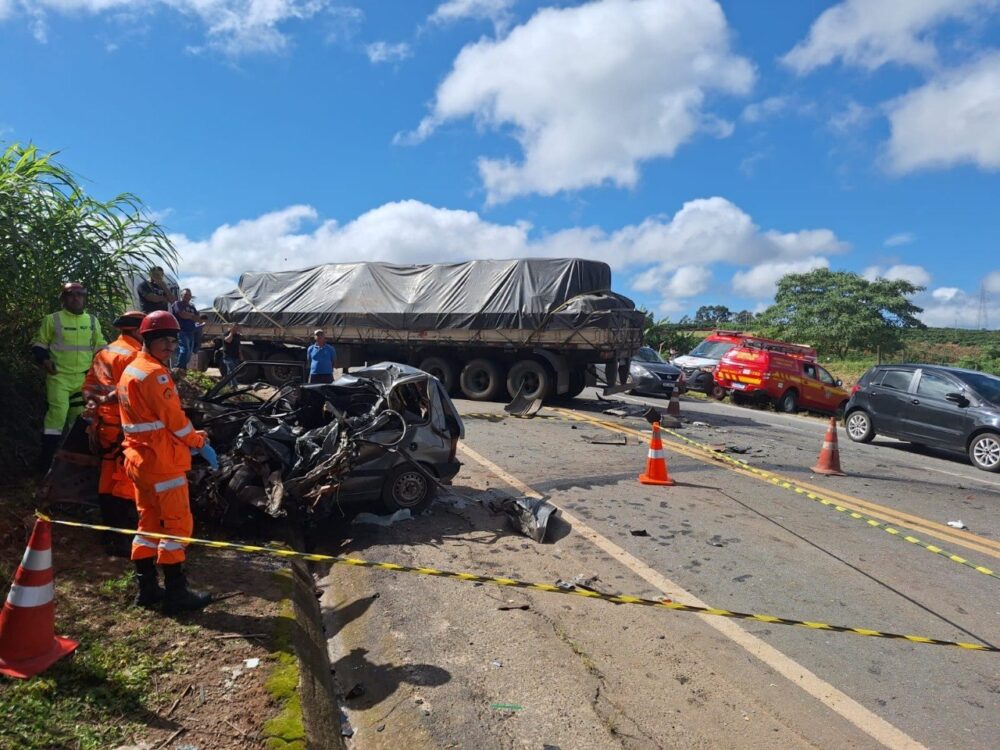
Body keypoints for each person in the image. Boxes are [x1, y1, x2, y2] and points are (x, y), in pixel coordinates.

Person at [118, 310, 218, 613]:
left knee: (148, 523)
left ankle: (147, 589)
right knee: (176, 526)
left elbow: (152, 421)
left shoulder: (133, 369)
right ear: (147, 339)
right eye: (164, 340)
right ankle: (176, 594)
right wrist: (199, 442)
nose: (171, 346)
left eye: (174, 341)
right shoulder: (155, 374)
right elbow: (174, 421)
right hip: (162, 464)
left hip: (139, 460)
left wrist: (188, 435)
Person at [82, 310, 146, 557]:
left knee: (107, 479)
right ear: (138, 331)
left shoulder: (104, 352)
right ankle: (121, 538)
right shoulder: (134, 356)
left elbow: (88, 387)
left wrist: (93, 404)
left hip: (103, 428)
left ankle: (109, 533)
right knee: (124, 482)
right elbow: (136, 396)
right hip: (123, 428)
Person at [31, 282, 106, 472]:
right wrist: (44, 360)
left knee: (79, 421)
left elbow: (100, 346)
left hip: (83, 378)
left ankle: (74, 464)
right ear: (63, 298)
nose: (76, 298)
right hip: (59, 378)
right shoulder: (52, 319)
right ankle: (45, 463)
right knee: (57, 416)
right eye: (71, 294)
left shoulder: (92, 321)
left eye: (80, 294)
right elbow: (39, 344)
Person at [169, 288, 199, 372]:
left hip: (191, 331)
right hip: (181, 331)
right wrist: (191, 316)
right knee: (184, 350)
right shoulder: (177, 304)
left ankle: (182, 369)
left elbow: (197, 319)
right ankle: (178, 369)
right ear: (181, 295)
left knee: (189, 353)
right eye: (185, 295)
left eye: (189, 295)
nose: (187, 297)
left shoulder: (192, 307)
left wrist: (189, 315)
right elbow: (182, 315)